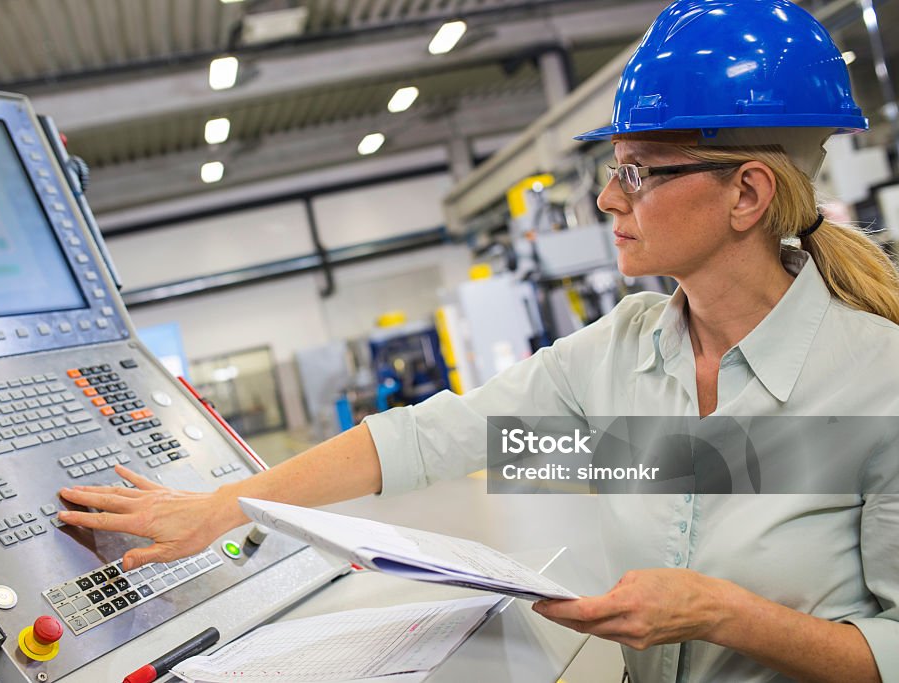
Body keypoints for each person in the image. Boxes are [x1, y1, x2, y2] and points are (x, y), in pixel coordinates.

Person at [58, 1, 899, 681]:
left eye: (638, 172)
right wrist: (224, 505)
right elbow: (430, 438)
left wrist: (726, 616)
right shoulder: (624, 355)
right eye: (610, 170)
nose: (608, 199)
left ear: (747, 193)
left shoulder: (877, 385)